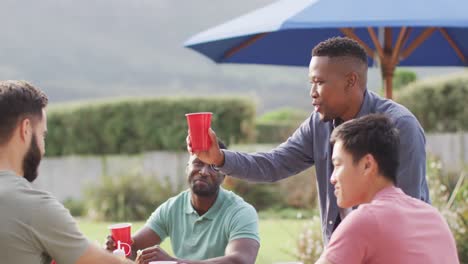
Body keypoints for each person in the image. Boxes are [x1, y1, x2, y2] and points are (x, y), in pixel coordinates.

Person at [188, 37, 430, 245]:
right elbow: (274, 163)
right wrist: (218, 157)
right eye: (311, 82)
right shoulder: (320, 123)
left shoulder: (400, 127)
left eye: (320, 82)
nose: (312, 92)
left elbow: (404, 211)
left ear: (351, 81)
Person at [0, 80, 133, 264]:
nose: (43, 147)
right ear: (26, 129)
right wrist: (118, 258)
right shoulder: (34, 207)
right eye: (42, 135)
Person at [314, 114, 458, 263]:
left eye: (337, 165)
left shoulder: (363, 222)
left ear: (367, 165)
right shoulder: (433, 217)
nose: (332, 178)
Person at [105, 141, 260, 264]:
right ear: (187, 168)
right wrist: (117, 250)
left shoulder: (240, 211)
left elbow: (241, 260)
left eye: (213, 166)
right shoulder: (172, 208)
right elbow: (133, 249)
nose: (204, 172)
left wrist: (177, 263)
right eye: (198, 163)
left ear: (224, 175)